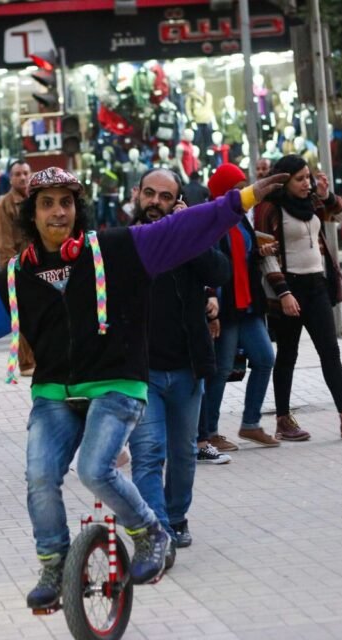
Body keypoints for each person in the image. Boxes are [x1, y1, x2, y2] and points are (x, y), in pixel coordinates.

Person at [0, 166, 286, 609]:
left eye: (66, 202)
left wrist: (240, 200)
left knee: (95, 469)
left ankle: (152, 532)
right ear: (32, 214)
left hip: (116, 383)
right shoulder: (20, 273)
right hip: (55, 392)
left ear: (78, 209)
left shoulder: (116, 250)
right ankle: (54, 564)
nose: (58, 212)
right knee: (39, 476)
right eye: (47, 204)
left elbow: (183, 228)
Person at [125, 168, 230, 560]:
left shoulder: (189, 238)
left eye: (165, 197)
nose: (155, 202)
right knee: (149, 452)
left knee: (184, 452)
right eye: (149, 194)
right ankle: (159, 530)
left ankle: (177, 516)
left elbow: (221, 272)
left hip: (186, 367)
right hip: (141, 371)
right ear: (138, 195)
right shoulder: (125, 241)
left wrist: (188, 231)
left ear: (178, 201)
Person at [256, 155, 342, 441]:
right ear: (284, 180)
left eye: (308, 177)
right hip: (288, 288)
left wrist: (326, 194)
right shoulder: (269, 208)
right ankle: (283, 420)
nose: (306, 183)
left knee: (330, 351)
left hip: (316, 285)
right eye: (299, 179)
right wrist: (284, 292)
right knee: (287, 354)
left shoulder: (312, 202)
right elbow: (267, 256)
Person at [198, 163, 279, 459]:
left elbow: (243, 255)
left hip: (248, 303)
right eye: (236, 187)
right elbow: (210, 263)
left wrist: (260, 252)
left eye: (243, 186)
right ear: (221, 191)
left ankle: (250, 423)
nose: (242, 192)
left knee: (265, 357)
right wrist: (212, 309)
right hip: (227, 305)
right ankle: (209, 432)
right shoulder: (211, 219)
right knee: (219, 372)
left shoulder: (239, 217)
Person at [0, 160, 34, 373]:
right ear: (10, 178)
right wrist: (11, 271)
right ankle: (27, 363)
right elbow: (4, 244)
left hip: (39, 265)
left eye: (26, 173)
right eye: (18, 174)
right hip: (19, 267)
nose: (23, 178)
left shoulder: (36, 200)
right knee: (23, 315)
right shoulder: (5, 205)